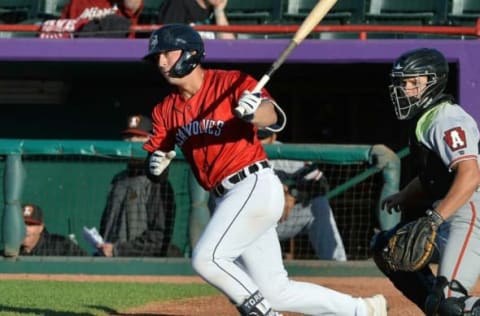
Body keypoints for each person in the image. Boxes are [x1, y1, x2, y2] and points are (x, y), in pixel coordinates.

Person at [141, 23, 387, 316]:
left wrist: (253, 112)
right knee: (276, 292)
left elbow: (274, 116)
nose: (161, 62)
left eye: (167, 53)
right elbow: (157, 163)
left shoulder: (230, 83)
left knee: (206, 258)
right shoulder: (164, 110)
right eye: (157, 57)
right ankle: (363, 310)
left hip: (253, 184)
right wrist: (155, 165)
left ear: (191, 53)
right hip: (225, 198)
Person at [370, 47, 480, 315]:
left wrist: (434, 219)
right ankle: (435, 307)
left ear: (434, 82)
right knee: (386, 247)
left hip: (470, 210)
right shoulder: (425, 118)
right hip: (450, 210)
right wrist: (404, 195)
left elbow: (470, 174)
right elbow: (434, 175)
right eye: (403, 82)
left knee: (450, 304)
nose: (405, 89)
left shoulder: (447, 118)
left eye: (413, 83)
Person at [258, 129, 347, 261]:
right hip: (251, 225)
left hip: (281, 223)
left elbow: (320, 184)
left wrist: (294, 194)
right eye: (253, 135)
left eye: (261, 137)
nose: (257, 141)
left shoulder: (287, 154)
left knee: (318, 204)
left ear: (273, 137)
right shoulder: (237, 152)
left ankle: (337, 266)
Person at [96, 114, 178, 257]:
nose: (132, 141)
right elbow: (105, 227)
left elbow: (158, 237)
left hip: (143, 266)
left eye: (138, 137)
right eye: (128, 137)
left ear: (151, 140)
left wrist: (119, 250)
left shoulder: (157, 183)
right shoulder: (118, 180)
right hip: (110, 264)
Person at [40, 0, 144, 39]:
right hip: (82, 59)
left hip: (118, 60)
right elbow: (63, 36)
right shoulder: (76, 3)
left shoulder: (123, 3)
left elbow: (132, 5)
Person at [20, 203, 87, 256]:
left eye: (31, 225)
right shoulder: (10, 246)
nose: (25, 229)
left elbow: (86, 265)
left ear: (41, 227)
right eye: (22, 224)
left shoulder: (60, 245)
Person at [157, 0, 235, 39]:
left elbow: (230, 47)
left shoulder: (217, 8)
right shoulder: (177, 3)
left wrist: (219, 11)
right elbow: (168, 41)